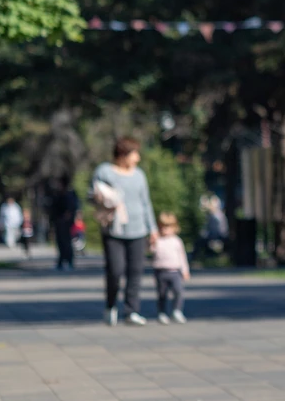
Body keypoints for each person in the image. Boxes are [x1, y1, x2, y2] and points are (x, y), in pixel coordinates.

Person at [92, 137, 158, 327]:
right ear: (123, 154)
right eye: (134, 154)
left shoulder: (139, 175)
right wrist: (100, 197)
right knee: (115, 270)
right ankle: (111, 305)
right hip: (113, 229)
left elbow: (146, 203)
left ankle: (131, 311)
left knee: (135, 271)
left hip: (138, 229)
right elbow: (92, 196)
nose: (137, 158)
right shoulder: (104, 171)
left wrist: (152, 229)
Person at [151, 212, 190, 325]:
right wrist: (152, 242)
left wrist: (185, 270)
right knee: (162, 294)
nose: (165, 230)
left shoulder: (176, 241)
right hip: (161, 271)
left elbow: (182, 257)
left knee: (178, 291)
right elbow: (151, 251)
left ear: (174, 228)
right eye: (162, 227)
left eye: (167, 227)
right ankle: (162, 313)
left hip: (175, 271)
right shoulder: (157, 240)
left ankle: (177, 310)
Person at [49, 179, 80, 271]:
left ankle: (68, 261)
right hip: (59, 221)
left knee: (66, 242)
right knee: (60, 242)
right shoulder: (58, 194)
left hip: (65, 222)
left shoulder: (68, 195)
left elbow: (71, 209)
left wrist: (67, 218)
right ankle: (61, 261)